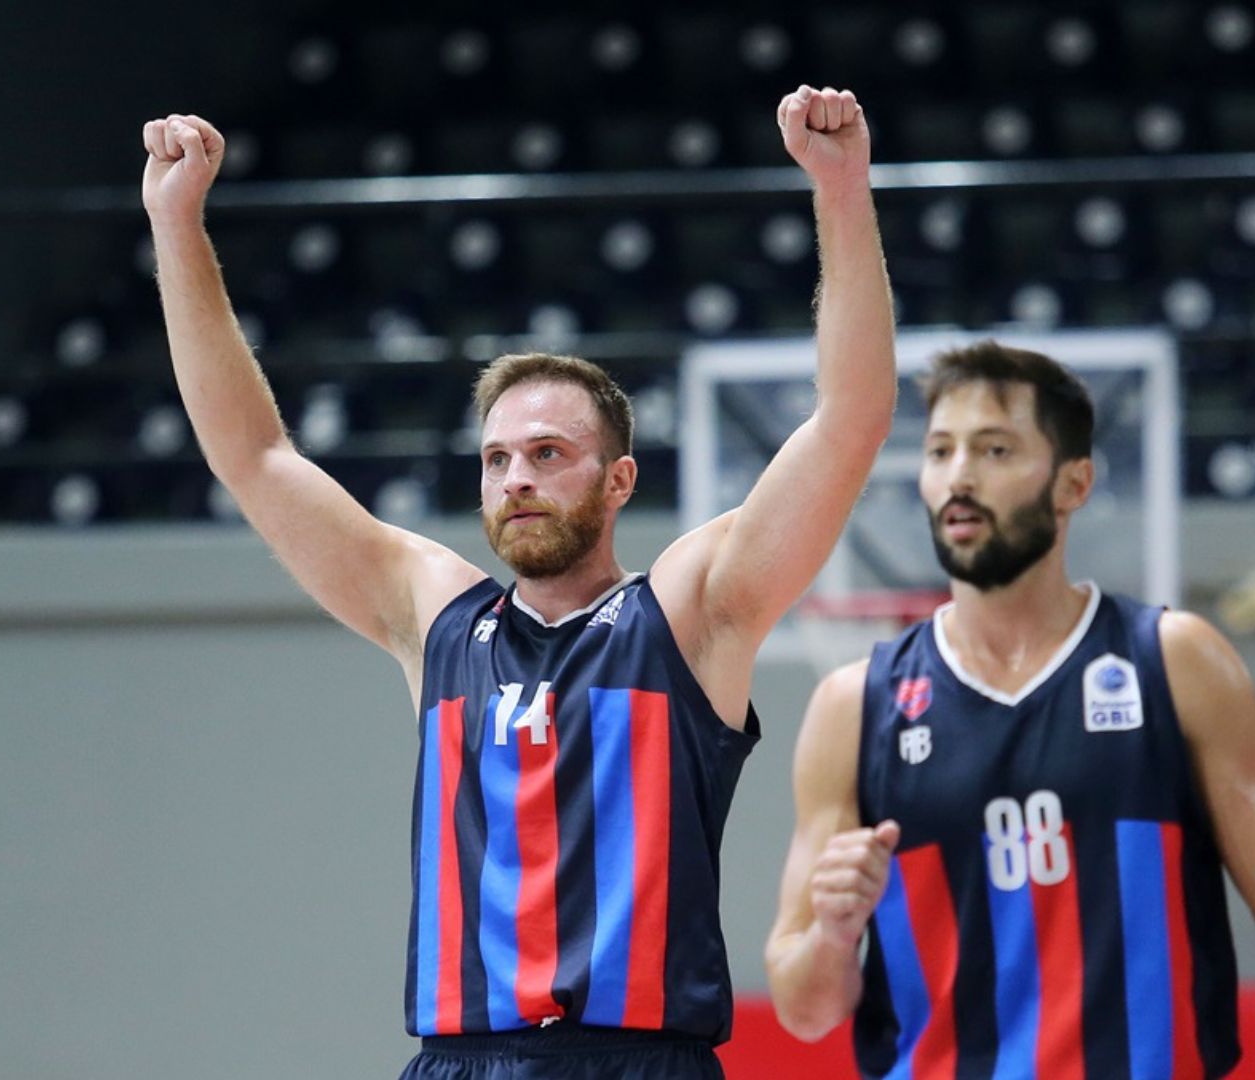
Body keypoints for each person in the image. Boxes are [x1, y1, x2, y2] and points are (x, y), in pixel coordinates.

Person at [140, 85, 894, 1079]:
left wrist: (841, 191)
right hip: (461, 1059)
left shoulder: (687, 613)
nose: (517, 479)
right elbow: (256, 457)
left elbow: (848, 422)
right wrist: (176, 227)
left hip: (640, 1061)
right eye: (497, 460)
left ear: (619, 481)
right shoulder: (435, 615)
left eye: (548, 454)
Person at [765, 342, 1255, 1078]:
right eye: (940, 451)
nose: (960, 476)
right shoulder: (854, 705)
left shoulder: (1176, 662)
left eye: (995, 449)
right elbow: (805, 1010)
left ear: (1074, 483)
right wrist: (831, 932)